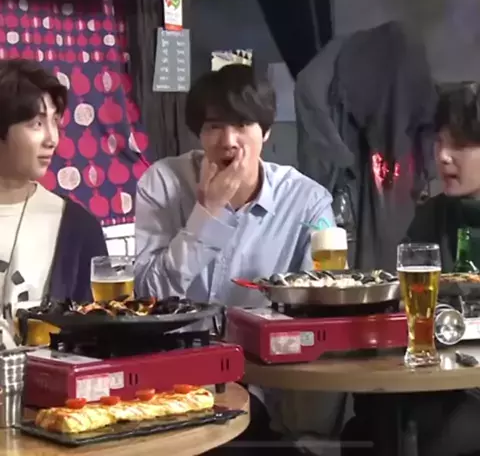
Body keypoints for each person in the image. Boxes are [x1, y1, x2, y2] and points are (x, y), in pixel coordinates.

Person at [134, 64, 336, 453]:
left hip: (258, 381)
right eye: (214, 126)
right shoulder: (162, 183)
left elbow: (318, 308)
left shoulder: (306, 201)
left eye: (243, 124)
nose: (228, 141)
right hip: (166, 377)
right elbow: (146, 295)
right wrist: (207, 215)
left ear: (266, 131)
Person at [341, 84, 480, 456]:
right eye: (440, 142)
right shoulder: (432, 215)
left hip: (469, 389)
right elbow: (402, 301)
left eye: (461, 145)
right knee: (367, 422)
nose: (444, 157)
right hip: (438, 375)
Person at [0, 58, 108, 348]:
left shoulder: (77, 228)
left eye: (55, 122)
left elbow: (98, 339)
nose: (52, 139)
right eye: (37, 124)